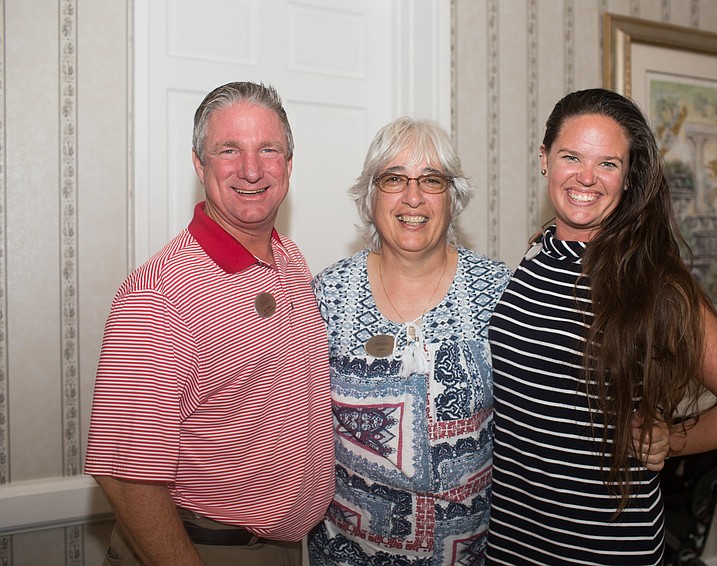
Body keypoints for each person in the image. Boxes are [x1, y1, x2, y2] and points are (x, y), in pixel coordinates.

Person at [485, 88, 717, 565]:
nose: (586, 177)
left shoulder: (652, 284)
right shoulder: (536, 254)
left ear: (628, 176)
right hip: (512, 540)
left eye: (608, 164)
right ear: (544, 160)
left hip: (604, 547)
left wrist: (667, 438)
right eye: (571, 156)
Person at [84, 81, 334, 566]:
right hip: (200, 549)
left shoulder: (291, 260)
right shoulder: (158, 294)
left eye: (269, 149)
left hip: (287, 549)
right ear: (200, 165)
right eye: (228, 150)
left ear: (288, 163)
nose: (251, 169)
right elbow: (123, 473)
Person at [307, 117, 511, 565]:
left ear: (453, 197)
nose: (413, 197)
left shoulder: (498, 291)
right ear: (370, 195)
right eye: (394, 179)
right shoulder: (327, 295)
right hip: (346, 556)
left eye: (431, 180)